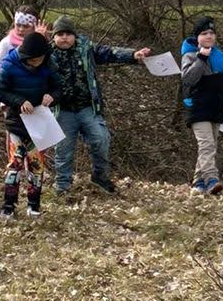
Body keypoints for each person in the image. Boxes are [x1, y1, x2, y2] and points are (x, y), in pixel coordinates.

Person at [46, 18, 152, 196]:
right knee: (63, 149)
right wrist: (38, 38)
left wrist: (134, 55)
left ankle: (100, 177)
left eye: (68, 34)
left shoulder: (86, 49)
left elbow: (109, 53)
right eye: (60, 34)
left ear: (74, 36)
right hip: (62, 110)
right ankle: (63, 185)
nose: (64, 38)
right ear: (54, 37)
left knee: (101, 139)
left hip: (88, 107)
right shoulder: (47, 53)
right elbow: (25, 57)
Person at [0, 28, 56, 220]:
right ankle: (8, 206)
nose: (36, 63)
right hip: (16, 123)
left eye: (39, 59)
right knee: (15, 164)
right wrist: (19, 101)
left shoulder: (49, 63)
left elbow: (59, 87)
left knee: (37, 166)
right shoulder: (9, 64)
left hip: (39, 122)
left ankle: (34, 205)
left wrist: (51, 96)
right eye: (33, 60)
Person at [179, 17, 223, 195]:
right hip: (198, 107)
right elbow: (188, 79)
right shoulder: (189, 55)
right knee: (207, 145)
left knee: (211, 145)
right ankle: (212, 180)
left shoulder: (220, 56)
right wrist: (201, 58)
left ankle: (198, 182)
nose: (209, 36)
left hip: (216, 107)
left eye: (212, 33)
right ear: (197, 36)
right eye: (204, 33)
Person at [0, 8, 46, 73]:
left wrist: (40, 40)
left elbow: (49, 66)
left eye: (26, 26)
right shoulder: (6, 43)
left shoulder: (41, 42)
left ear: (35, 27)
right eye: (18, 25)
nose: (21, 29)